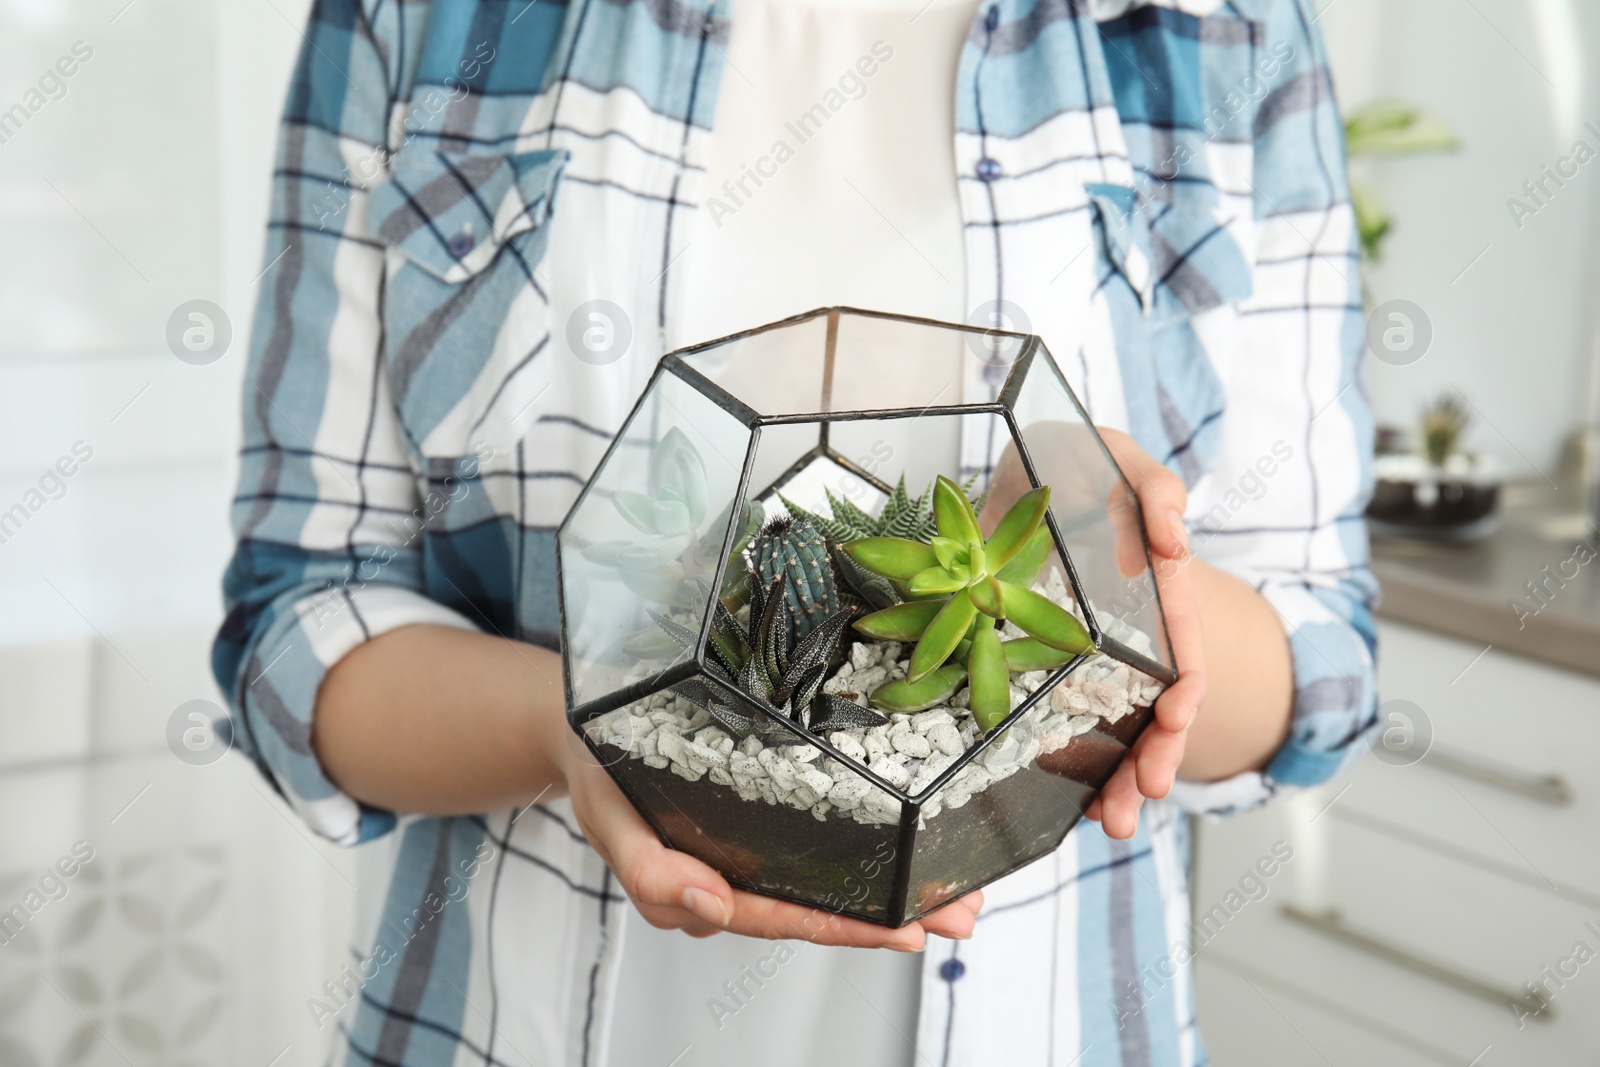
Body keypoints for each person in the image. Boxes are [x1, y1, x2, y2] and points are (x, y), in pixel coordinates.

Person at [213, 0, 1376, 1062]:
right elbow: (294, 621)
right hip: (506, 1018)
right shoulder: (425, 22)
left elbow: (1319, 656)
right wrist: (573, 723)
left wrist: (1111, 573)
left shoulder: (1222, 32)